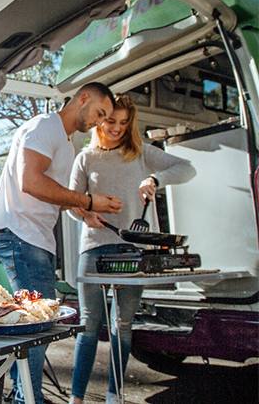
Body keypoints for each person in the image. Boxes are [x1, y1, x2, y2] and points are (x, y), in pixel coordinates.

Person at [0, 82, 123, 404]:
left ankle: (21, 394)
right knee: (40, 324)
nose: (100, 122)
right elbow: (31, 181)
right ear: (83, 98)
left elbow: (51, 193)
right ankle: (26, 399)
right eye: (100, 113)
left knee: (35, 323)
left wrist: (80, 209)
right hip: (21, 234)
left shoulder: (67, 144)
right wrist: (88, 200)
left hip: (37, 237)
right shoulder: (44, 126)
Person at [67, 94, 196, 404]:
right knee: (89, 324)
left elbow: (187, 168)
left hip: (131, 251)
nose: (117, 128)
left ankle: (115, 396)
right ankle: (76, 398)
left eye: (124, 123)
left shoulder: (140, 154)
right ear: (100, 121)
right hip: (95, 248)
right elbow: (72, 203)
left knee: (122, 325)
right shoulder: (85, 158)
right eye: (111, 121)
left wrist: (155, 178)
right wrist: (86, 212)